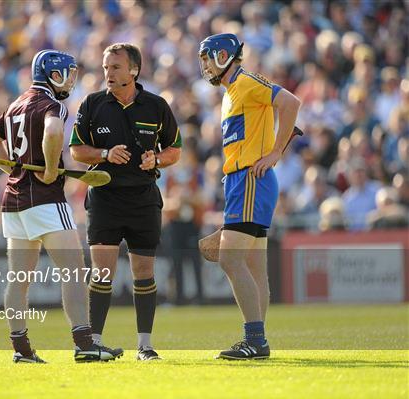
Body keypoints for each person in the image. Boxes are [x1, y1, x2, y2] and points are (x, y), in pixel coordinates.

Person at [0, 49, 122, 363]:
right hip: (44, 200)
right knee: (73, 271)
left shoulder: (14, 105)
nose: (71, 79)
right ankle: (85, 344)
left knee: (19, 279)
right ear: (53, 75)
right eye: (67, 73)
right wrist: (50, 170)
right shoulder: (51, 104)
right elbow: (53, 131)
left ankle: (22, 350)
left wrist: (13, 169)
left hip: (13, 202)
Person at [69, 43, 181, 361]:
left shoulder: (157, 105)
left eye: (115, 67)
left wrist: (155, 159)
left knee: (143, 274)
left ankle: (144, 345)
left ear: (133, 70)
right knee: (102, 273)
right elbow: (77, 150)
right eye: (105, 67)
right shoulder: (92, 104)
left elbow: (175, 150)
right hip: (104, 198)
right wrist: (104, 154)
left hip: (144, 200)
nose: (108, 73)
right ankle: (93, 343)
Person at [198, 33, 301, 360]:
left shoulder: (246, 81)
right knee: (255, 267)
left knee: (231, 260)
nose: (204, 67)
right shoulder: (230, 92)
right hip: (242, 181)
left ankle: (255, 338)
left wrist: (274, 154)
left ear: (224, 55)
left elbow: (290, 103)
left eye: (206, 59)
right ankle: (259, 339)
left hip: (249, 179)